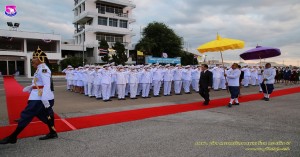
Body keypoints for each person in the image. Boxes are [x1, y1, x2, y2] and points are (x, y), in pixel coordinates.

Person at [0, 47, 57, 144]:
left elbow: (47, 85)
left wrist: (45, 99)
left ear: (39, 59)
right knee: (43, 115)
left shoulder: (43, 69)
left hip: (41, 98)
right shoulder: (39, 68)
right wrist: (31, 87)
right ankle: (52, 132)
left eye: (34, 58)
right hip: (37, 96)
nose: (32, 61)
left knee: (27, 114)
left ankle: (13, 137)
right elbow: (38, 82)